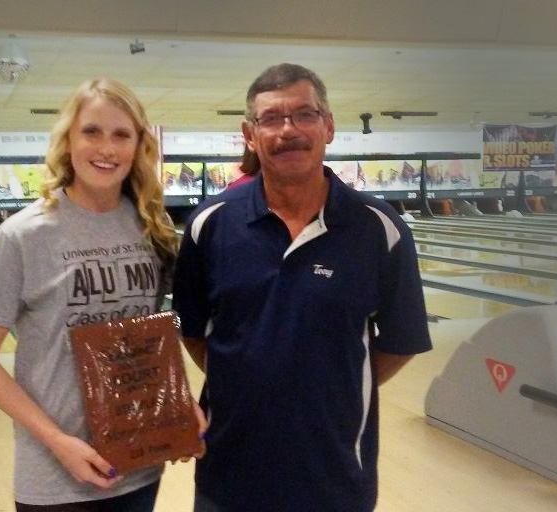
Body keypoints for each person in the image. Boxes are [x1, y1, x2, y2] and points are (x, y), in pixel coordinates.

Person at [173, 63, 432, 512]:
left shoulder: (380, 229)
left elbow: (401, 341)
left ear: (328, 126)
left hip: (336, 473)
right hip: (229, 471)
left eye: (304, 115)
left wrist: (332, 385)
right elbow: (191, 330)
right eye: (271, 118)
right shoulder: (208, 225)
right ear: (250, 135)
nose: (288, 130)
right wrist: (243, 382)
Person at [0, 78, 186, 511]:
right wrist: (57, 441)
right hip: (56, 475)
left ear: (138, 145)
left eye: (121, 134)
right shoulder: (24, 235)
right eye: (91, 132)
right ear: (68, 140)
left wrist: (175, 407)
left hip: (139, 464)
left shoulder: (151, 228)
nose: (107, 148)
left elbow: (153, 338)